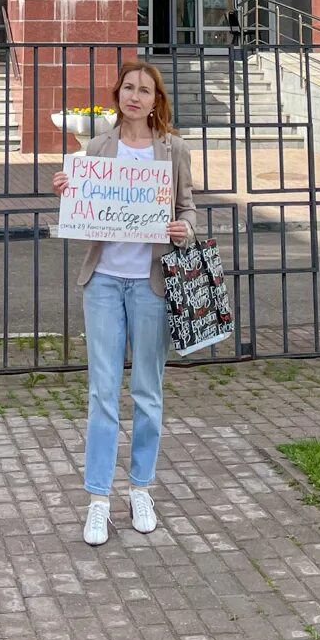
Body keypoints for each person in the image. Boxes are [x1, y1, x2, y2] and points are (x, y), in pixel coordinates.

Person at [53, 58, 195, 545]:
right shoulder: (97, 148)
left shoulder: (172, 150)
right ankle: (97, 500)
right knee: (103, 391)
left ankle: (140, 488)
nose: (136, 96)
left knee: (148, 392)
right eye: (129, 87)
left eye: (145, 90)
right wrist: (67, 190)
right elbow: (83, 207)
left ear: (157, 101)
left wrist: (185, 228)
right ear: (118, 95)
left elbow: (187, 206)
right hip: (105, 282)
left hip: (151, 284)